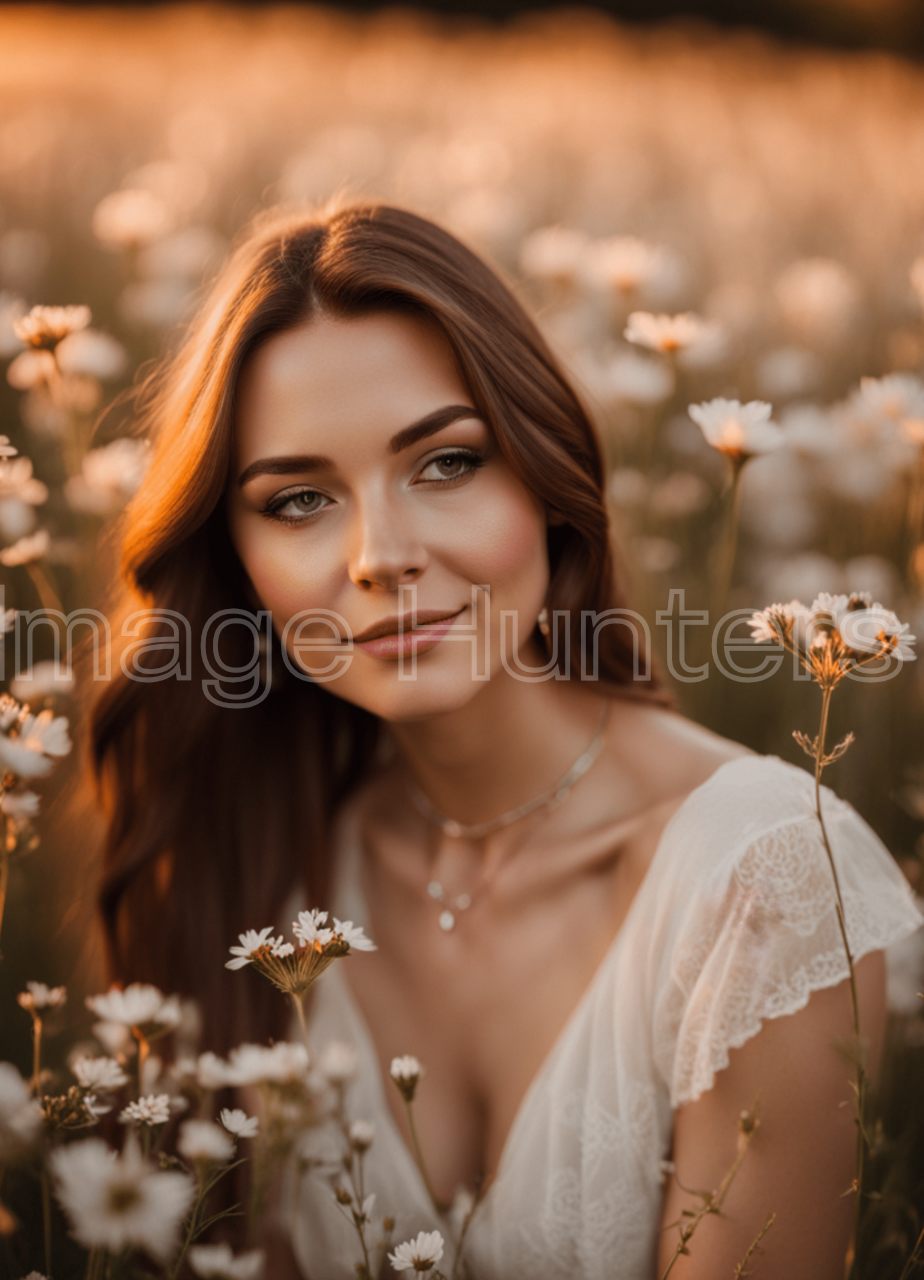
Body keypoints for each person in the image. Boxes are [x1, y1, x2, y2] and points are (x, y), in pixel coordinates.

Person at [89, 201, 922, 1279]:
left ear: (546, 467)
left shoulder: (766, 873)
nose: (381, 555)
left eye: (444, 463)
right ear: (231, 559)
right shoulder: (264, 854)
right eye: (298, 498)